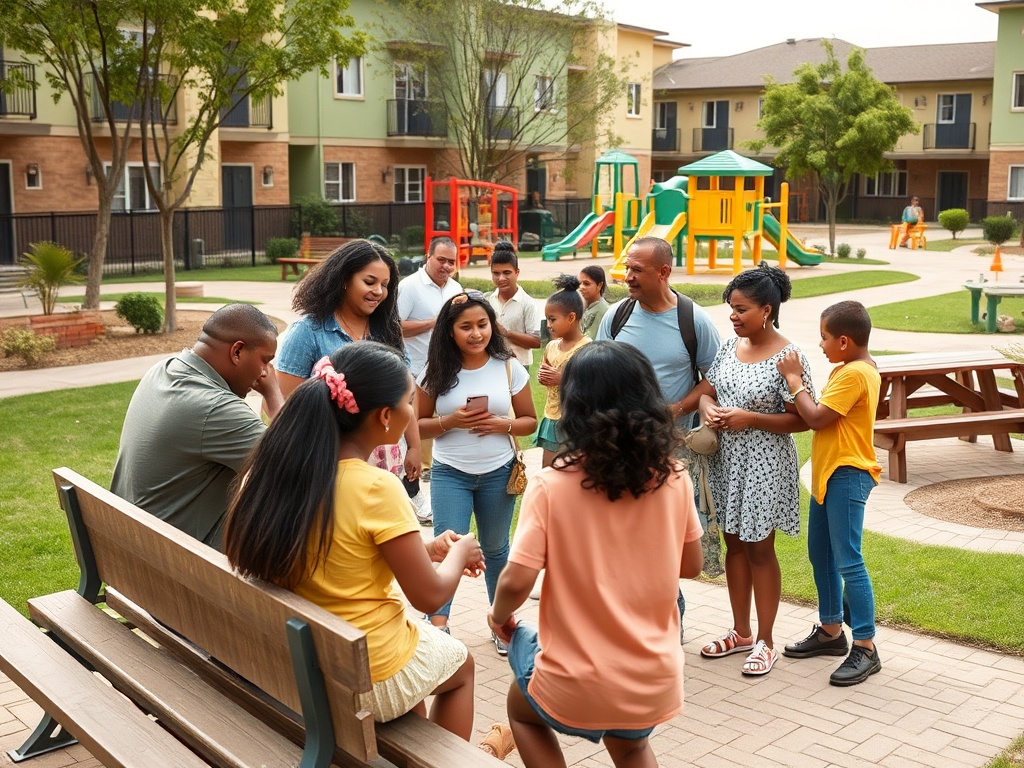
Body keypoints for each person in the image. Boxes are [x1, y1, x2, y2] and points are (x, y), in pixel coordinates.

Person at [224, 342, 484, 737]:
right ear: (384, 417)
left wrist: (426, 551)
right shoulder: (375, 486)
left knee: (418, 659)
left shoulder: (267, 471)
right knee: (461, 665)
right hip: (364, 673)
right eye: (409, 402)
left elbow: (338, 552)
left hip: (294, 657)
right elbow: (430, 598)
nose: (412, 412)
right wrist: (461, 550)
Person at [487, 342, 704, 768]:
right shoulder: (674, 477)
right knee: (631, 745)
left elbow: (516, 579)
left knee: (522, 712)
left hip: (574, 683)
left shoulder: (552, 485)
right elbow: (691, 565)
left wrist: (498, 617)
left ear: (574, 408)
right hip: (652, 679)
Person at [596, 236, 722, 629]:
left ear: (664, 272)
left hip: (671, 453)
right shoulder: (615, 316)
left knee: (664, 547)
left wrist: (677, 409)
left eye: (637, 270)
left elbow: (715, 379)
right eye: (626, 267)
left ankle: (669, 626)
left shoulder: (693, 320)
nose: (627, 276)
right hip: (618, 450)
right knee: (616, 540)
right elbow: (596, 372)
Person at [697, 263, 813, 677]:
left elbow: (804, 420)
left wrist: (752, 418)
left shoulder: (789, 356)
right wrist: (709, 409)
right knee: (734, 544)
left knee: (760, 548)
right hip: (727, 459)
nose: (732, 316)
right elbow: (707, 392)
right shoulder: (730, 347)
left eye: (741, 309)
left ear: (767, 309)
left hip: (764, 463)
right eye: (731, 307)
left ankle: (766, 641)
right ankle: (741, 632)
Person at [416, 290, 538, 654]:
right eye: (465, 326)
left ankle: (502, 624)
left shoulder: (508, 366)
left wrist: (503, 425)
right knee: (447, 548)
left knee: (497, 549)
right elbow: (417, 425)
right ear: (449, 331)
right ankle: (438, 623)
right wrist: (449, 421)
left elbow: (531, 420)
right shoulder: (435, 371)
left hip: (498, 473)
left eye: (482, 325)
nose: (476, 333)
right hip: (450, 473)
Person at [273, 239, 429, 524]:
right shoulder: (308, 332)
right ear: (344, 279)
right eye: (369, 281)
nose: (378, 292)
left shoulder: (388, 332)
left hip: (387, 453)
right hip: (329, 458)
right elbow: (288, 406)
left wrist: (415, 446)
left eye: (385, 285)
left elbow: (406, 396)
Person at [111, 304, 283, 550]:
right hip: (170, 570)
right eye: (265, 361)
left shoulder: (163, 369)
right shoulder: (216, 408)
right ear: (237, 352)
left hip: (132, 551)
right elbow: (298, 465)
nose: (266, 373)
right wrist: (275, 395)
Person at [777, 300, 883, 687]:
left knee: (848, 561)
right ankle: (830, 631)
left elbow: (818, 417)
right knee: (819, 553)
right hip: (827, 475)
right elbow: (818, 414)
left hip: (847, 474)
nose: (819, 345)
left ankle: (866, 647)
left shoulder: (855, 374)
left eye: (824, 338)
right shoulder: (849, 369)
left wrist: (793, 379)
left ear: (843, 340)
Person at [398, 236, 463, 481]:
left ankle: (441, 463)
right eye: (441, 260)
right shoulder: (410, 287)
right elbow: (396, 327)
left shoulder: (456, 289)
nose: (446, 266)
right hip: (415, 368)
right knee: (417, 420)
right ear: (429, 256)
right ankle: (420, 468)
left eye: (451, 262)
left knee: (445, 416)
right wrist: (433, 323)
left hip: (448, 367)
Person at [536, 274, 591, 468]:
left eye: (552, 319)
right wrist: (542, 376)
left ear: (571, 317)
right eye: (547, 319)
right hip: (552, 417)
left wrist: (563, 379)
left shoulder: (587, 348)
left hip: (576, 421)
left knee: (573, 473)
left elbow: (593, 387)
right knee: (548, 472)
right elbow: (545, 370)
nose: (548, 325)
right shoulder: (552, 346)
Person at [486, 241, 541, 367]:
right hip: (492, 365)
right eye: (496, 273)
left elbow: (536, 342)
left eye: (506, 273)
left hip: (519, 366)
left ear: (517, 272)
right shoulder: (489, 300)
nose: (501, 278)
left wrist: (505, 332)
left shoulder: (527, 303)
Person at [578, 265, 610, 340]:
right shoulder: (586, 306)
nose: (581, 287)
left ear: (599, 285)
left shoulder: (602, 310)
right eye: (580, 283)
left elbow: (590, 341)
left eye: (586, 284)